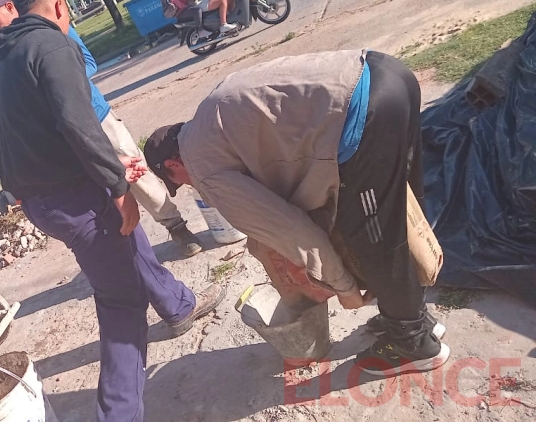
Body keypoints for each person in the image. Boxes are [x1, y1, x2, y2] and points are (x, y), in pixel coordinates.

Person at [0, 0, 224, 421]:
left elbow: (46, 132)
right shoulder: (54, 47)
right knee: (120, 302)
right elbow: (79, 126)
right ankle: (119, 414)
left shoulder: (11, 59)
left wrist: (112, 161)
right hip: (73, 198)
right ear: (59, 6)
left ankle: (178, 305)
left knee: (130, 245)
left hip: (46, 195)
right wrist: (118, 188)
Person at [143, 50, 451, 376]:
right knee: (396, 218)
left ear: (174, 164)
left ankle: (415, 344)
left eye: (178, 181)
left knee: (370, 236)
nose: (189, 186)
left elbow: (297, 233)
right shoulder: (210, 118)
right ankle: (411, 315)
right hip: (386, 73)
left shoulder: (203, 167)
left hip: (362, 112)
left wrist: (346, 291)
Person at [0, 0, 203, 257]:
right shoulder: (9, 51)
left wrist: (57, 79)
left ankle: (176, 226)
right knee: (94, 191)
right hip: (61, 132)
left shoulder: (48, 27)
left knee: (136, 175)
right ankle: (131, 251)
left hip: (96, 117)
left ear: (11, 8)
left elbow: (87, 62)